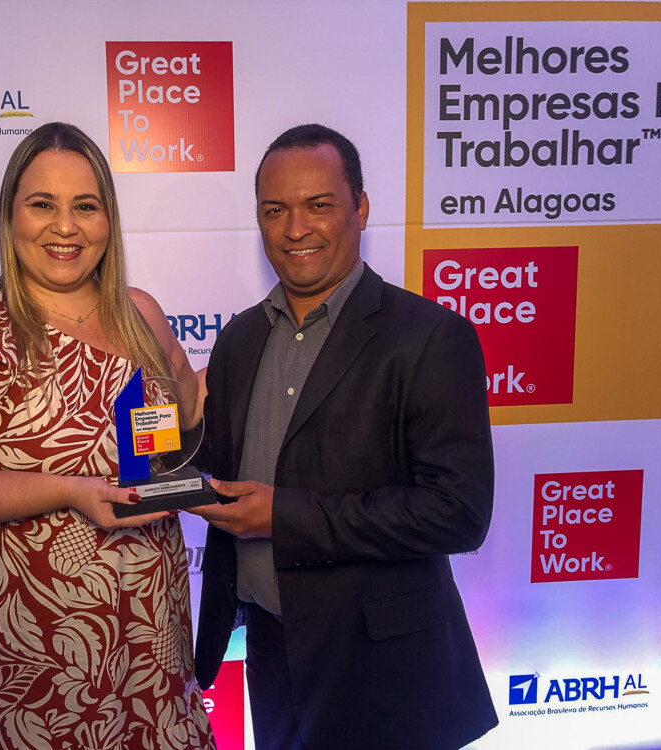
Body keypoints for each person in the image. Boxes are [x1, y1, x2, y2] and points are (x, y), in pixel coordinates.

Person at [0, 122, 215, 750]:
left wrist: (240, 372)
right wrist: (70, 489)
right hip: (19, 655)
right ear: (10, 216)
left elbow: (178, 430)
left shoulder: (141, 313)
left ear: (108, 221)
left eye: (85, 206)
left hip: (150, 635)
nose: (65, 227)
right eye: (43, 204)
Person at [188, 124, 497, 750]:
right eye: (275, 210)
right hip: (270, 652)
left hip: (385, 668)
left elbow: (458, 514)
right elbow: (217, 465)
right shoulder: (239, 339)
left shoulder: (430, 337)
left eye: (319, 205)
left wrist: (284, 516)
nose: (295, 228)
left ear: (361, 208)